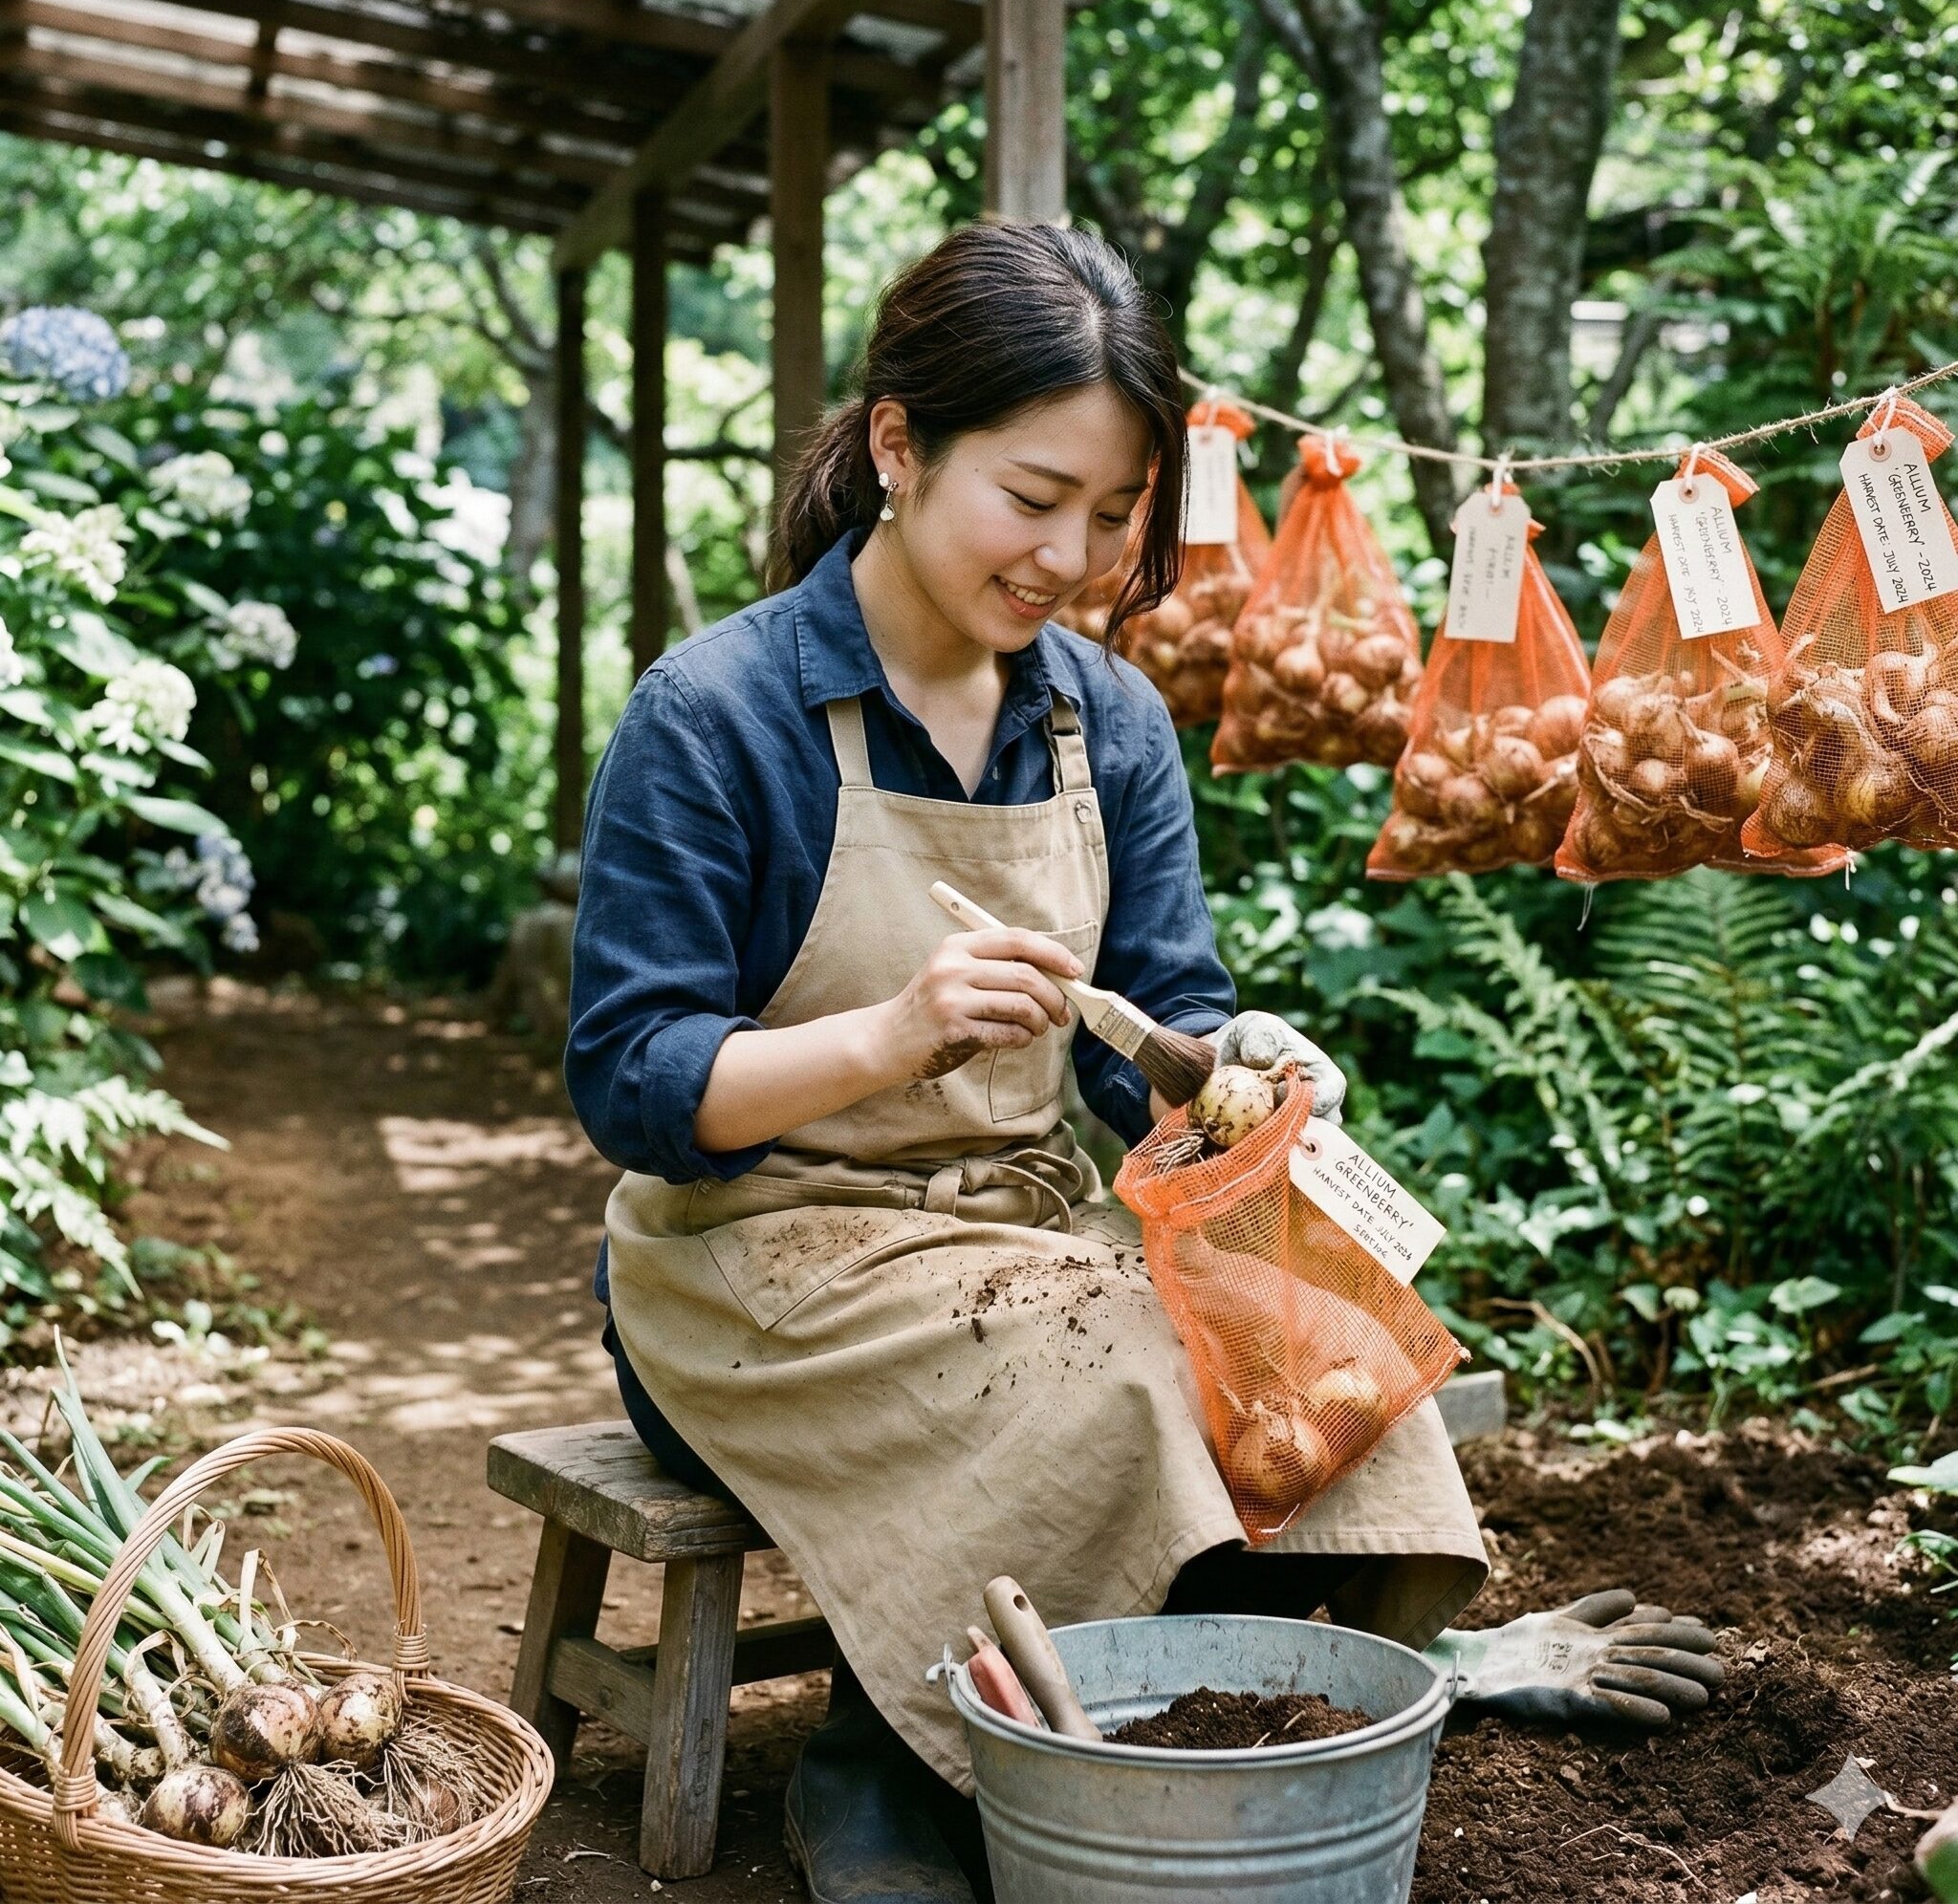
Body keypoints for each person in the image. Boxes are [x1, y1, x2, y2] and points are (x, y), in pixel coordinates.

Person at [567, 223, 1722, 1904]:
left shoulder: (1104, 719)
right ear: (899, 446)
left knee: (1308, 1311)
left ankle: (1373, 1681)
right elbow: (634, 1084)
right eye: (1033, 499)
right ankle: (902, 1755)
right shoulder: (717, 713)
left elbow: (1151, 1034)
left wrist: (1238, 1065)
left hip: (1019, 1236)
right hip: (754, 1268)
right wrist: (889, 1035)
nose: (1072, 556)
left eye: (1113, 516)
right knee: (1120, 1367)